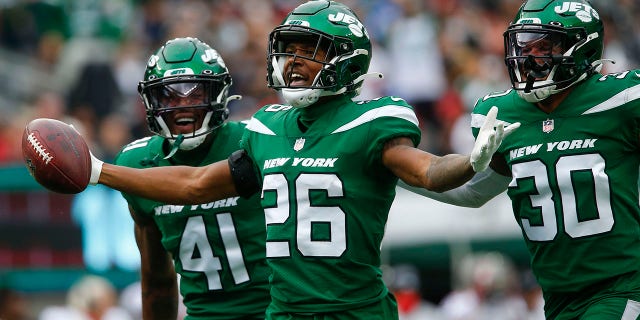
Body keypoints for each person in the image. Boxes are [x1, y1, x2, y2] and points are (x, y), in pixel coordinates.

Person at [62, 1, 515, 319]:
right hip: (285, 312)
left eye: (309, 52)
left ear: (345, 60)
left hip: (352, 310)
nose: (293, 62)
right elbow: (194, 185)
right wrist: (100, 171)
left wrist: (472, 163)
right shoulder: (267, 129)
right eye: (289, 49)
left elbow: (429, 172)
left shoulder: (373, 120)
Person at [400, 0, 640, 319]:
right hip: (557, 299)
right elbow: (474, 191)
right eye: (524, 44)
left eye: (543, 46)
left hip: (621, 287)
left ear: (582, 47)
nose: (527, 56)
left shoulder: (621, 100)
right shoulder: (504, 113)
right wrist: (393, 170)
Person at [113, 37, 271, 319]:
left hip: (275, 312)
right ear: (152, 101)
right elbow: (157, 282)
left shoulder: (256, 140)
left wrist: (96, 172)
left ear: (218, 94)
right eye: (169, 96)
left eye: (195, 94)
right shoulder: (136, 162)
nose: (182, 107)